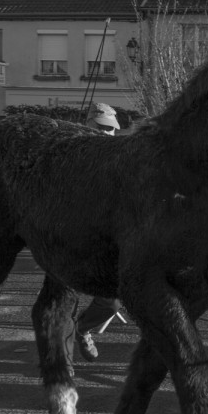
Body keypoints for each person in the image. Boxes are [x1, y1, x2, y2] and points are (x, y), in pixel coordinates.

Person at [74, 103, 124, 362]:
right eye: (102, 128)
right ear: (89, 125)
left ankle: (82, 329)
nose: (108, 135)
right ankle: (56, 358)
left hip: (105, 242)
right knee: (58, 305)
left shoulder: (118, 159)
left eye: (111, 130)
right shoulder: (72, 154)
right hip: (69, 241)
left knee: (111, 303)